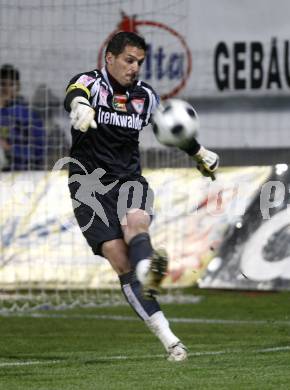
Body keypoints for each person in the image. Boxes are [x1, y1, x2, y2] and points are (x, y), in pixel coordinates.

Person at [64, 31, 219, 362]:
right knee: (119, 259)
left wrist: (199, 152)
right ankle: (169, 339)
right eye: (129, 61)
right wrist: (78, 106)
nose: (135, 68)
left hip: (128, 180)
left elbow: (171, 125)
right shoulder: (89, 84)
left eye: (140, 63)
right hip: (87, 186)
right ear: (110, 59)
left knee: (136, 222)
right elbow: (73, 94)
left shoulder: (145, 96)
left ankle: (148, 268)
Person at [0, 64, 45, 171]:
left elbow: (39, 152)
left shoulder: (29, 115)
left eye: (11, 85)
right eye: (2, 84)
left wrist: (9, 148)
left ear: (18, 87)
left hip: (22, 173)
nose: (6, 89)